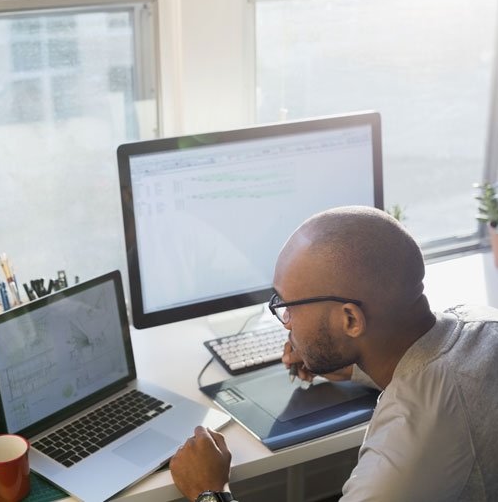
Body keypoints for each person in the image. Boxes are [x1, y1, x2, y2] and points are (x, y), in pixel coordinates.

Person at [169, 205, 498, 502]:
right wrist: (355, 366)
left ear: (351, 320)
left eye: (287, 306)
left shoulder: (401, 461)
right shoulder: (482, 322)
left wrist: (209, 491)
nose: (286, 323)